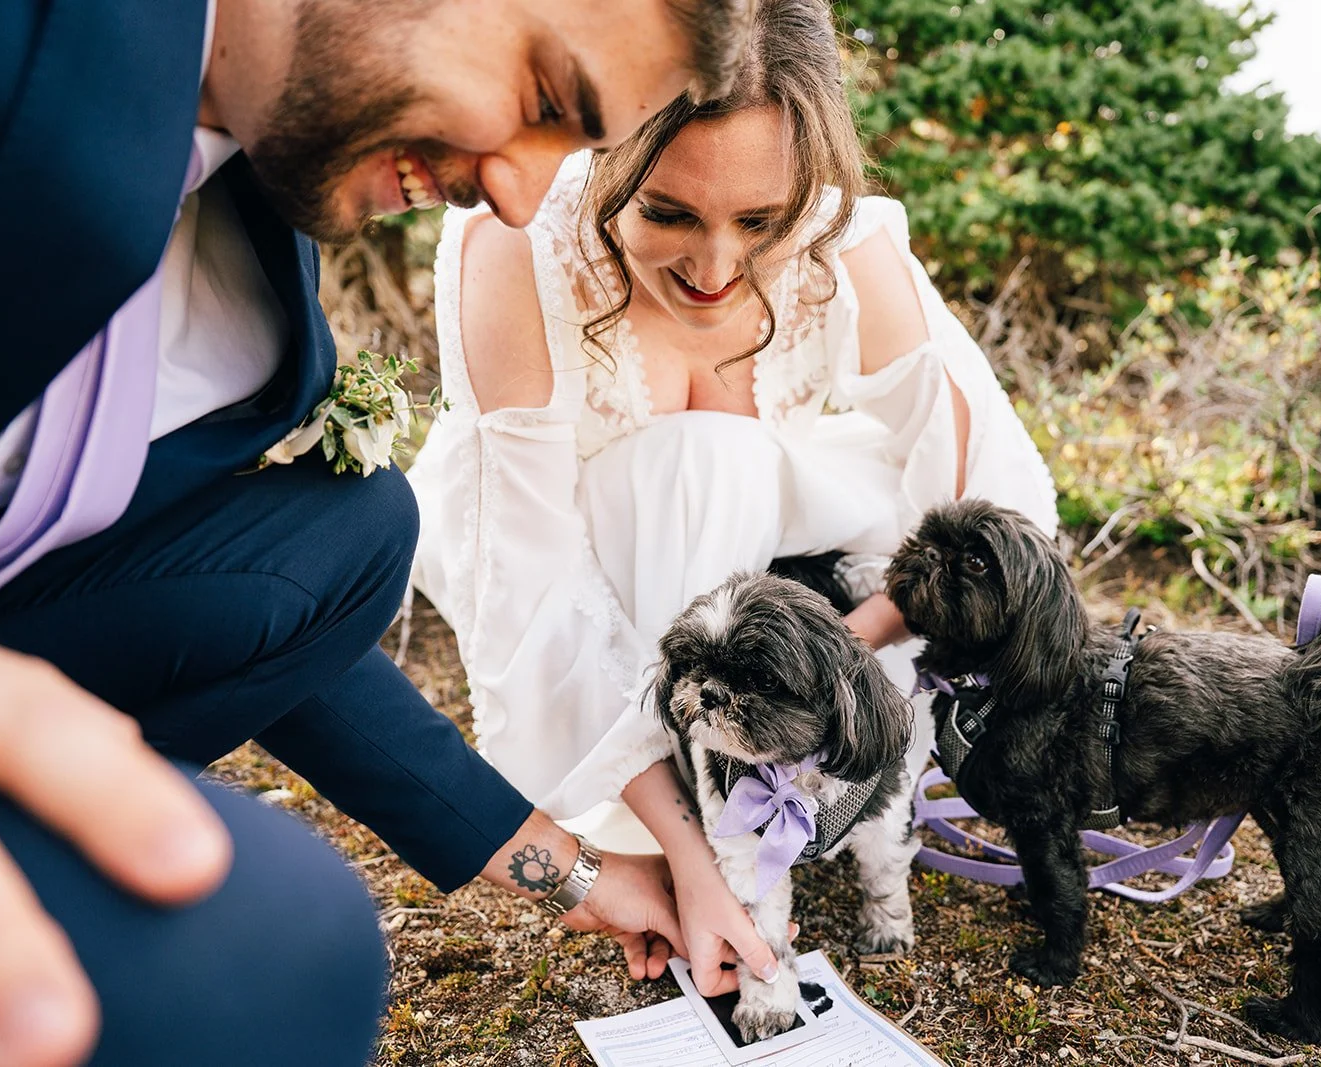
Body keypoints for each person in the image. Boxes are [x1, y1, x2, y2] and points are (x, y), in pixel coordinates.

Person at [0, 1, 761, 1065]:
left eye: (571, 152)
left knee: (351, 533)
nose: (517, 195)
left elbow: (255, 595)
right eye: (541, 99)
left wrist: (577, 871)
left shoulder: (256, 233)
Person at [409, 0, 1060, 1001]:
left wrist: (851, 641)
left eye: (761, 222)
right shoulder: (513, 243)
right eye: (666, 212)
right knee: (698, 461)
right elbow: (533, 599)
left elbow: (981, 498)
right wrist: (690, 857)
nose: (716, 270)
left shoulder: (845, 238)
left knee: (902, 506)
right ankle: (696, 814)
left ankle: (837, 774)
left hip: (766, 558)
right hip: (581, 565)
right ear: (603, 155)